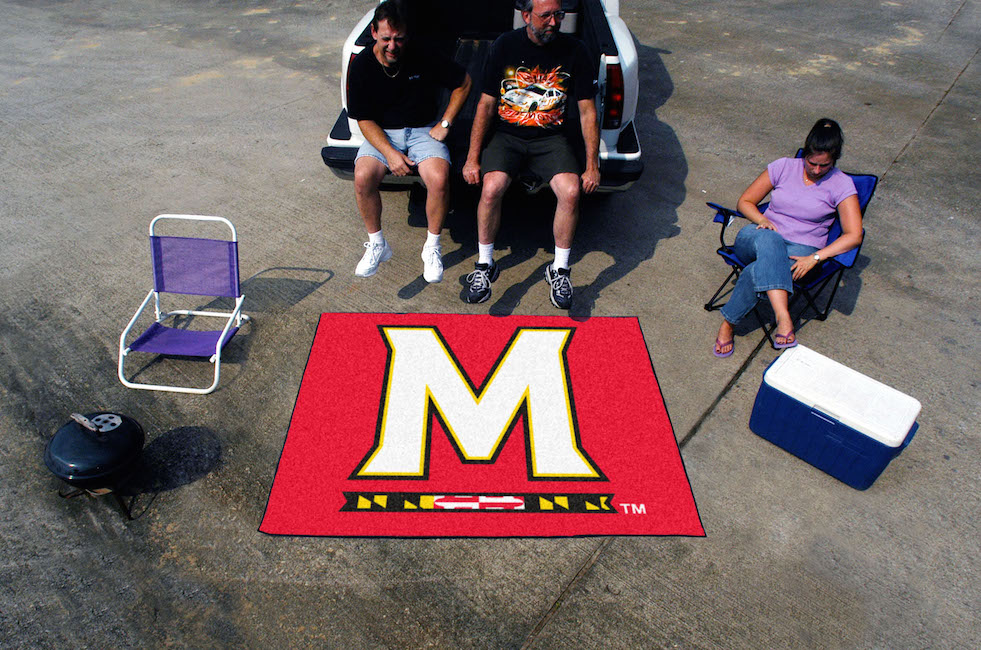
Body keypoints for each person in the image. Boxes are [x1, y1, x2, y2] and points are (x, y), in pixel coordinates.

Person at [462, 0, 600, 309]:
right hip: (507, 136)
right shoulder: (504, 46)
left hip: (550, 138)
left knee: (571, 191)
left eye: (559, 15)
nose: (554, 22)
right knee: (491, 187)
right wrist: (472, 158)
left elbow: (588, 112)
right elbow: (485, 104)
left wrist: (593, 166)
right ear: (526, 16)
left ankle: (560, 270)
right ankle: (485, 265)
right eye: (546, 15)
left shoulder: (575, 50)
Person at [714, 118, 862, 357]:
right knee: (771, 239)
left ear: (834, 159)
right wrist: (761, 220)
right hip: (757, 237)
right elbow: (745, 202)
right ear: (805, 153)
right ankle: (784, 317)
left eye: (824, 166)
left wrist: (816, 257)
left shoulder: (841, 184)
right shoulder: (783, 167)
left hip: (801, 252)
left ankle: (728, 324)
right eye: (811, 163)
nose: (816, 170)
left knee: (756, 270)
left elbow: (854, 235)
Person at [347, 0, 472, 283]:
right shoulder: (363, 64)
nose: (393, 45)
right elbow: (363, 119)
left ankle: (432, 247)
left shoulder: (423, 54)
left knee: (439, 180)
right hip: (382, 132)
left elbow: (463, 83)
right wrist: (390, 154)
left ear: (407, 35)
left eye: (400, 39)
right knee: (363, 176)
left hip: (422, 130)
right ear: (374, 33)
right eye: (387, 38)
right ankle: (377, 244)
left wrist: (445, 123)